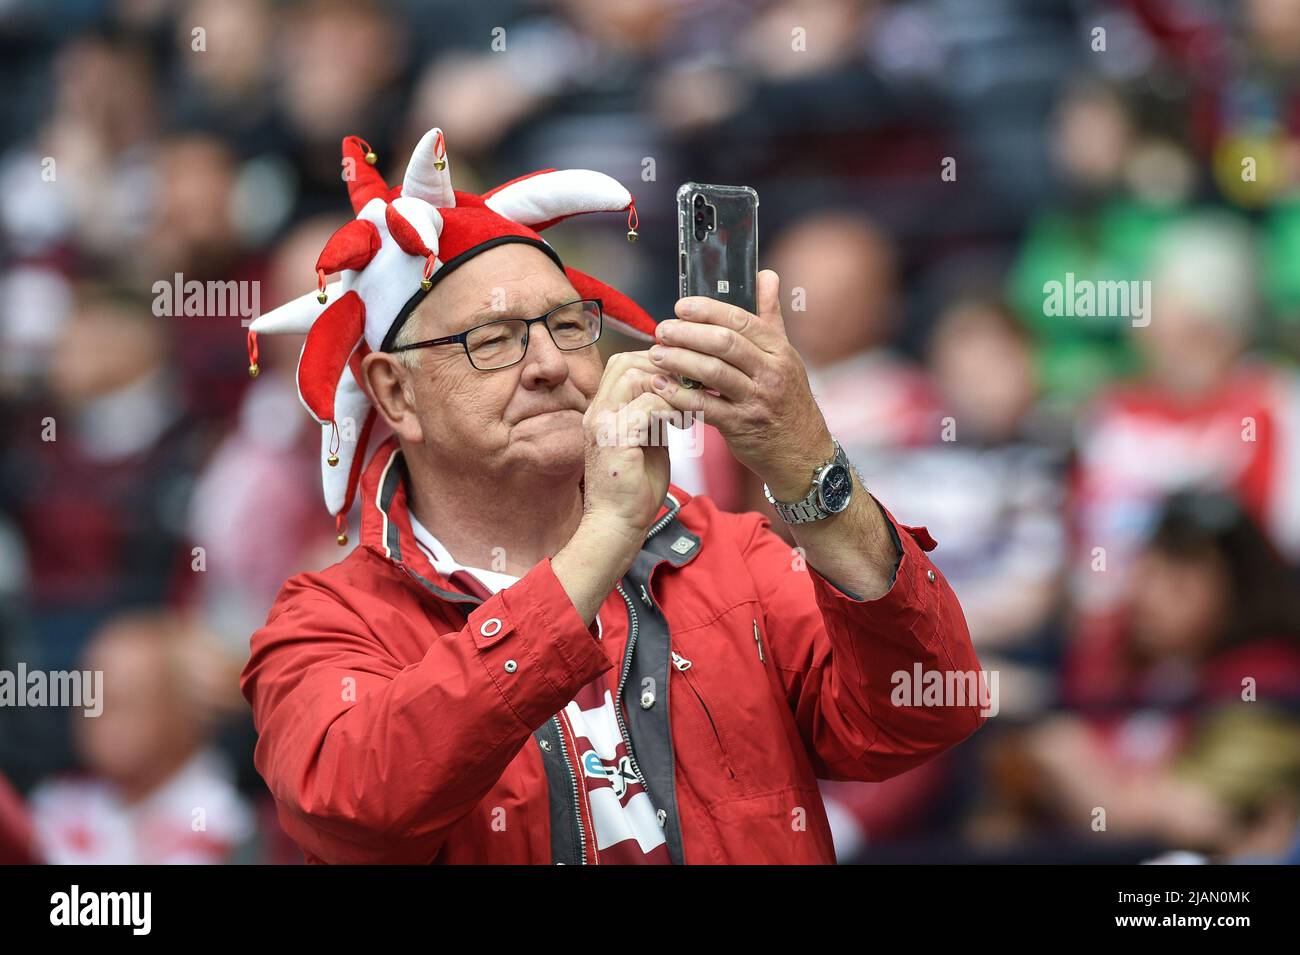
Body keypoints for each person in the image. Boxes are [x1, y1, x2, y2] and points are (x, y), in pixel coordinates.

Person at [240, 127, 985, 864]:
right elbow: (359, 807)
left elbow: (929, 708)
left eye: (569, 326)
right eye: (493, 338)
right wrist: (609, 532)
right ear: (395, 393)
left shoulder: (730, 556)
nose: (548, 364)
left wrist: (806, 463)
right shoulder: (328, 624)